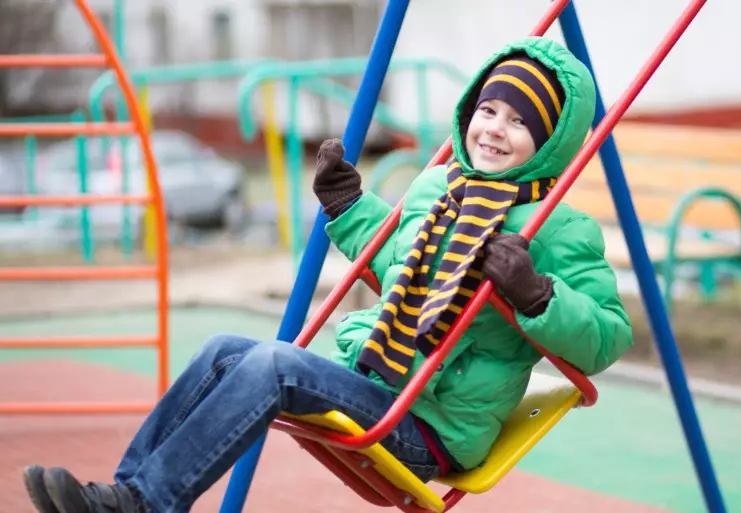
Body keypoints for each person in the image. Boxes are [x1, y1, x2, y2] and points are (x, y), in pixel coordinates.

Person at [21, 36, 633, 513]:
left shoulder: (556, 229)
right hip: (377, 380)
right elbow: (397, 265)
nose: (494, 129)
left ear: (550, 141)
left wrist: (536, 294)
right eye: (488, 109)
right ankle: (124, 495)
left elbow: (608, 337)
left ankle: (151, 503)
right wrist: (348, 206)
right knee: (221, 351)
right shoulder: (437, 187)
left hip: (429, 424)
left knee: (274, 363)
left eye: (520, 122)